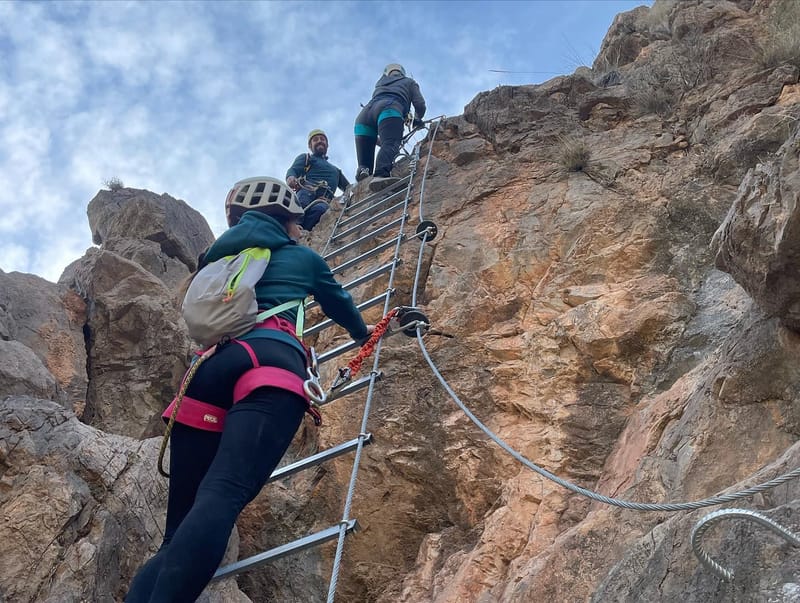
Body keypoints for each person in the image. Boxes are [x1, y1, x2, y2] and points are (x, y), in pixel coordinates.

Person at [126, 176, 373, 603]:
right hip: (271, 362)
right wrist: (364, 335)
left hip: (208, 370)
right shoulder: (302, 257)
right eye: (296, 222)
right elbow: (341, 306)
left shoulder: (217, 257)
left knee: (175, 535)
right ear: (289, 220)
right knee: (223, 494)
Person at [354, 63, 426, 192]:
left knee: (365, 166)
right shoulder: (409, 82)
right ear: (402, 73)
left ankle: (363, 172)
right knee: (392, 143)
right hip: (389, 109)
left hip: (363, 118)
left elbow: (377, 135)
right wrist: (417, 119)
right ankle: (381, 174)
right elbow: (420, 104)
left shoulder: (380, 84)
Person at [286, 129, 351, 231]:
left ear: (327, 145)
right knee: (299, 210)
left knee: (320, 210)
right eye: (315, 140)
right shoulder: (307, 158)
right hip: (307, 192)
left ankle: (302, 233)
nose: (319, 141)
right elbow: (293, 170)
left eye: (322, 139)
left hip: (324, 199)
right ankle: (293, 229)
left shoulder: (336, 171)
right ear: (310, 146)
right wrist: (290, 177)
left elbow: (349, 188)